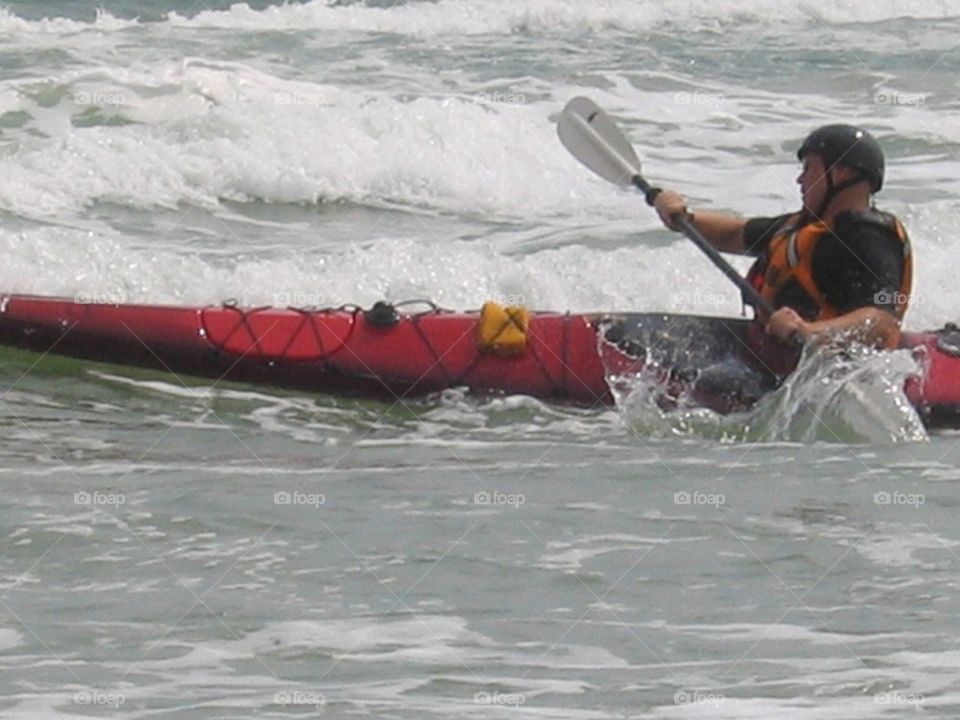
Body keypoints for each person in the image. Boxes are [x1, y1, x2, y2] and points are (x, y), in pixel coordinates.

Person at [652, 124, 912, 350]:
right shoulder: (800, 227)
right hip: (778, 353)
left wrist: (807, 332)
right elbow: (733, 234)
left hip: (833, 368)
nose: (800, 179)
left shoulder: (869, 237)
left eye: (809, 168)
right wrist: (683, 217)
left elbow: (881, 320)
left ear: (841, 173)